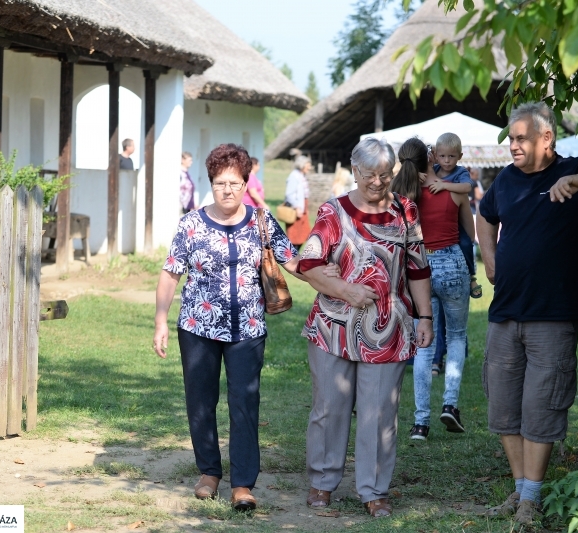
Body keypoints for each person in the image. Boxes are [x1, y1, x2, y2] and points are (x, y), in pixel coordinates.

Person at [476, 102, 578, 524]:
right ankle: (519, 490)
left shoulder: (572, 173)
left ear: (546, 139)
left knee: (541, 406)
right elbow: (485, 215)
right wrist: (489, 258)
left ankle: (532, 497)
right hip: (504, 311)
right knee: (505, 407)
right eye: (510, 138)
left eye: (520, 138)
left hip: (553, 312)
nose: (512, 145)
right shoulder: (506, 181)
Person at [152, 143, 303, 512]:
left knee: (245, 402)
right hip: (197, 327)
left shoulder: (263, 221)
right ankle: (209, 473)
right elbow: (171, 273)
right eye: (220, 182)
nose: (228, 190)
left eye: (235, 182)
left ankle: (243, 484)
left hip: (248, 330)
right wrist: (160, 322)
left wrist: (332, 276)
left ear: (246, 183)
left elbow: (295, 262)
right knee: (200, 400)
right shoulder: (190, 223)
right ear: (212, 183)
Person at [298, 137, 434, 518]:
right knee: (329, 408)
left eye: (385, 175)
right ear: (354, 171)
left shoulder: (405, 211)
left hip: (388, 327)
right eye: (369, 174)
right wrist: (346, 290)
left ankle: (374, 490)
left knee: (380, 413)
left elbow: (418, 268)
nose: (377, 182)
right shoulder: (333, 211)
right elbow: (306, 264)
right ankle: (322, 482)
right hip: (333, 326)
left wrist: (425, 316)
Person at [391, 137, 475, 441]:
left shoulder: (403, 197)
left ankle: (420, 424)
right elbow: (470, 233)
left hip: (419, 271)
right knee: (456, 336)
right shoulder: (453, 192)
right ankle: (450, 404)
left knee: (423, 344)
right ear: (431, 156)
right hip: (452, 265)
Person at [426, 133, 482, 299]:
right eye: (442, 156)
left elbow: (466, 187)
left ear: (460, 156)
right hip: (438, 224)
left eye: (452, 156)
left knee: (466, 243)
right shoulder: (433, 170)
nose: (447, 160)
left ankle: (471, 277)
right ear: (435, 156)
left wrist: (444, 186)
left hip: (456, 220)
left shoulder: (460, 172)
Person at [284, 155, 312, 247]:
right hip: (296, 210)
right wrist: (297, 207)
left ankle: (295, 258)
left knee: (303, 235)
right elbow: (289, 194)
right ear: (302, 165)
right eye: (308, 165)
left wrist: (305, 208)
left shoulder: (301, 175)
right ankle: (292, 259)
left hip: (302, 209)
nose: (309, 167)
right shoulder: (294, 176)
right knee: (294, 237)